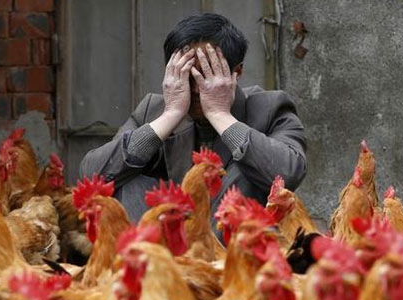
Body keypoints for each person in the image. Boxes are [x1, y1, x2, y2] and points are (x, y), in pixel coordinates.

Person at [80, 13, 307, 223]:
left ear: (237, 72)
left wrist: (220, 115)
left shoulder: (270, 106)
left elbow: (288, 175)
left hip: (235, 251)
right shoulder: (153, 109)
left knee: (245, 172)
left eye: (207, 75)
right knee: (126, 179)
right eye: (188, 76)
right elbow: (92, 175)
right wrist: (170, 116)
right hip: (166, 244)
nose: (198, 90)